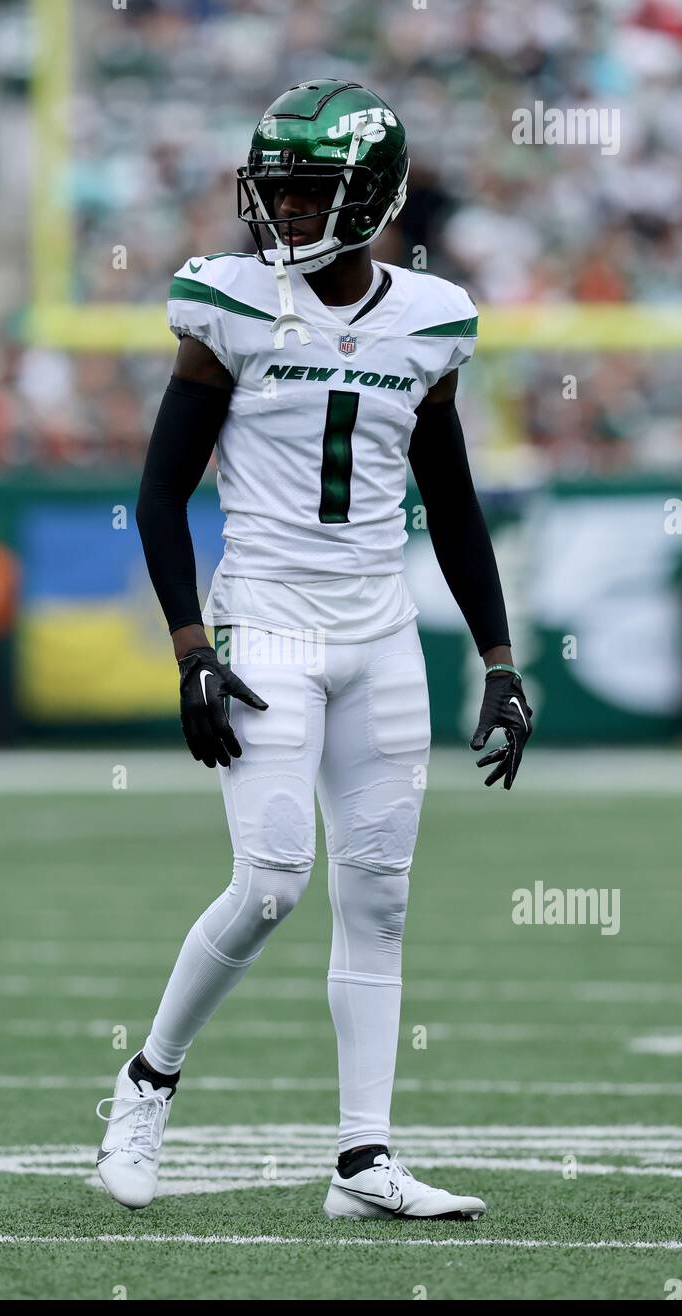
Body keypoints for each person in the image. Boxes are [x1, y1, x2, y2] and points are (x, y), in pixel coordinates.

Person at [96, 79, 533, 1221]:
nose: (280, 213)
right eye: (274, 190)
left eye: (305, 192)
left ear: (374, 198)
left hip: (381, 634)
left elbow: (452, 501)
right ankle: (147, 1079)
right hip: (269, 629)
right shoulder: (227, 304)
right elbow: (158, 494)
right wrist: (191, 645)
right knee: (273, 882)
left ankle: (360, 1161)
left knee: (378, 900)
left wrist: (496, 658)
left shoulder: (428, 317)